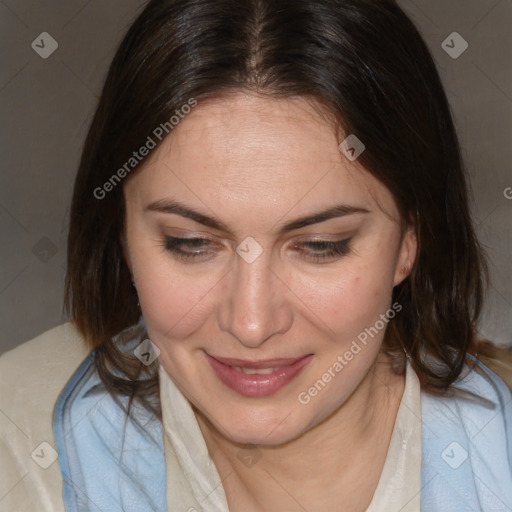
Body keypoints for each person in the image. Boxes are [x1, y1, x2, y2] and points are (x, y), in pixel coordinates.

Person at [1, 0, 511, 510]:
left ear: (409, 240)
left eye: (320, 246)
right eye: (191, 243)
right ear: (120, 234)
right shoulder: (18, 447)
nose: (251, 323)